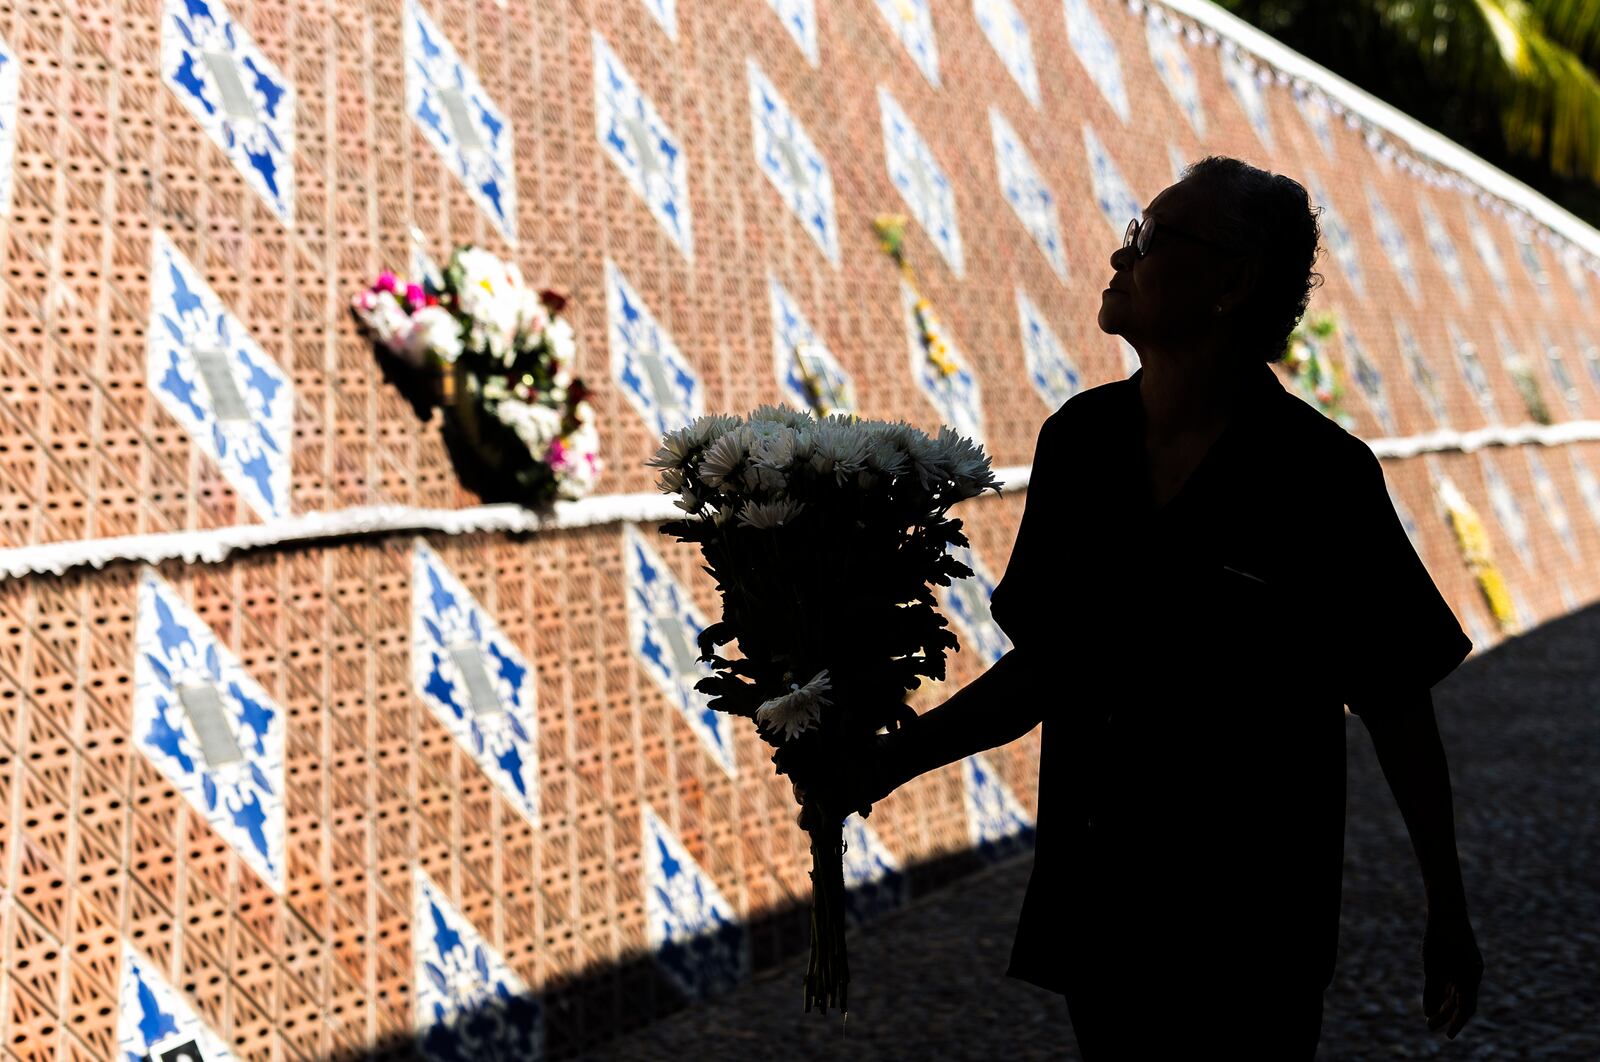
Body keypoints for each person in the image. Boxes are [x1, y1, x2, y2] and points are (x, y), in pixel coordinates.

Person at [787, 156, 1484, 1058]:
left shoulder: (1322, 477)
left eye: (1148, 240)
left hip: (1251, 928)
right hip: (1102, 904)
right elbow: (1049, 667)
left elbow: (1395, 701)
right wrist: (886, 764)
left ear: (1232, 282)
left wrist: (1447, 908)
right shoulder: (1076, 443)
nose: (1120, 259)